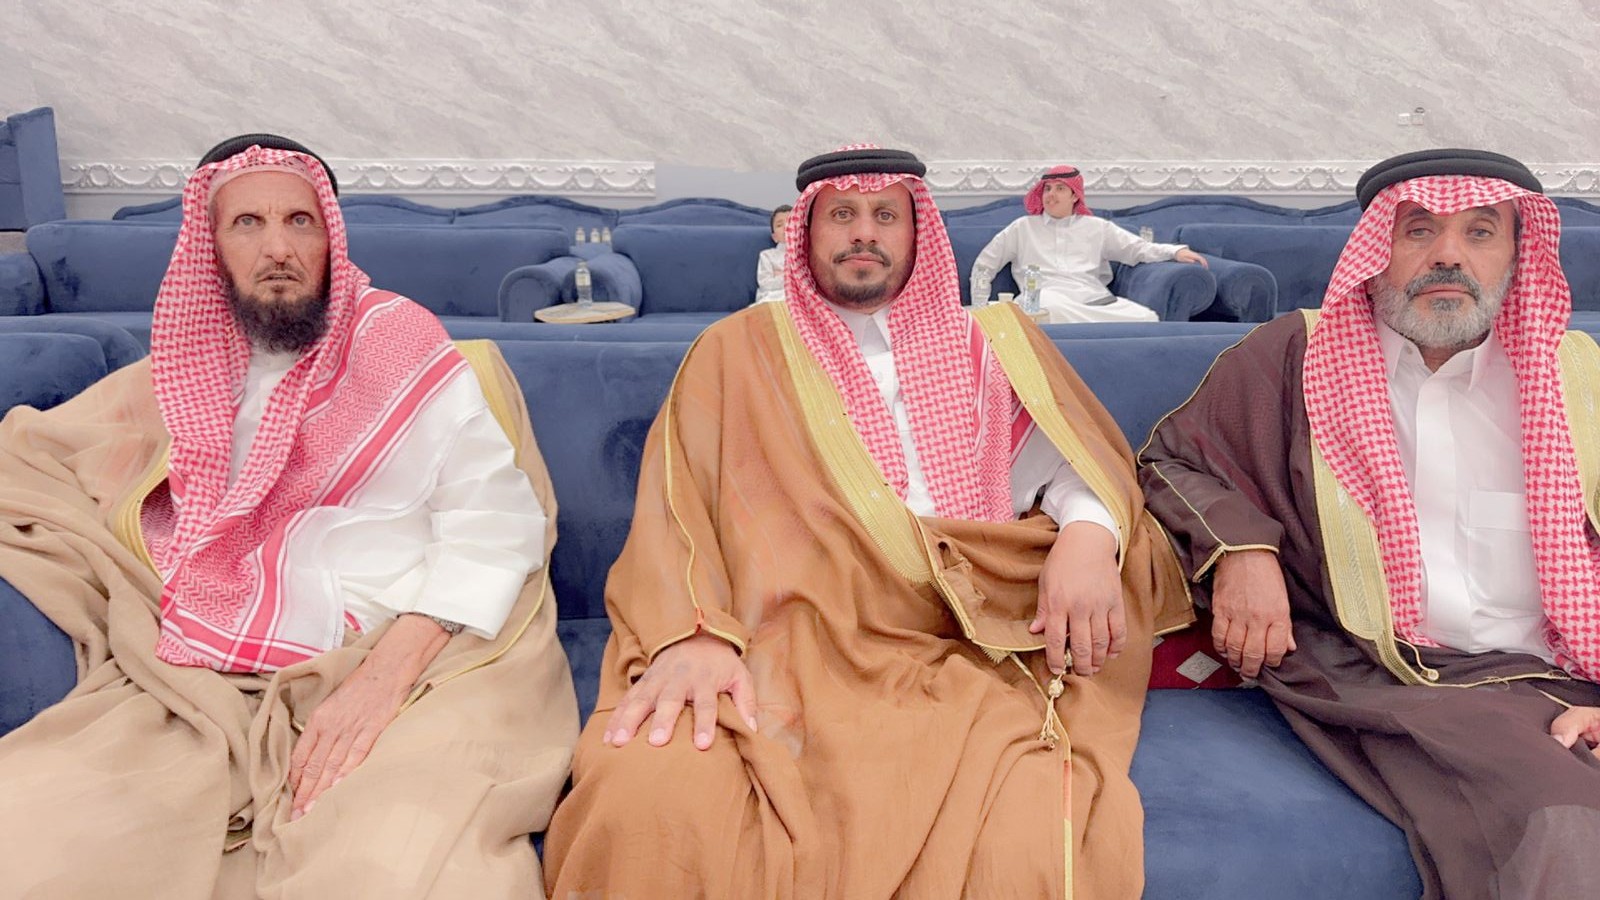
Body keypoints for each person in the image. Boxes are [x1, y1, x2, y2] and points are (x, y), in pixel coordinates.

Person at [544, 145, 1190, 898]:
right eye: (842, 215)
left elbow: (1077, 465)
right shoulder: (736, 352)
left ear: (917, 232)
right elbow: (677, 507)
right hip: (783, 639)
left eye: (886, 215)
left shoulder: (990, 342)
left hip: (960, 637)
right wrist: (694, 635)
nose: (864, 233)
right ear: (806, 232)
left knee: (1022, 840)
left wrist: (1088, 537)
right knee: (648, 796)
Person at [0, 134, 578, 898]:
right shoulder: (182, 368)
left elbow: (497, 521)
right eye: (249, 223)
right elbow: (42, 454)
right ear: (212, 247)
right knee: (34, 834)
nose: (278, 248)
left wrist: (384, 675)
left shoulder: (399, 340)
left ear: (329, 237)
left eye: (299, 221)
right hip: (209, 668)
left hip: (413, 648)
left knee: (398, 865)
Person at [1139, 148, 1600, 900]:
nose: (1448, 254)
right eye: (1419, 230)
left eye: (1480, 232)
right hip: (1392, 672)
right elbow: (1171, 462)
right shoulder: (1293, 357)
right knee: (1565, 822)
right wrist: (1244, 550)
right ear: (1376, 248)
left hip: (1569, 675)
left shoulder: (1578, 377)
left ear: (1518, 254)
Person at [973, 164, 1207, 323]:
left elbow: (1137, 248)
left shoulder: (1097, 228)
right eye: (1047, 189)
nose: (1051, 194)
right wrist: (979, 307)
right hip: (1044, 300)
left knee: (1147, 318)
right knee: (1048, 310)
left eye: (1060, 189)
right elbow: (985, 265)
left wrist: (1174, 252)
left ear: (1075, 196)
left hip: (1093, 300)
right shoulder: (1022, 227)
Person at [754, 203, 793, 303]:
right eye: (779, 225)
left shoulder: (808, 254)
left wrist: (780, 276)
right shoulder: (767, 256)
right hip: (773, 297)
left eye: (791, 222)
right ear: (774, 237)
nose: (786, 227)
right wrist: (790, 277)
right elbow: (765, 284)